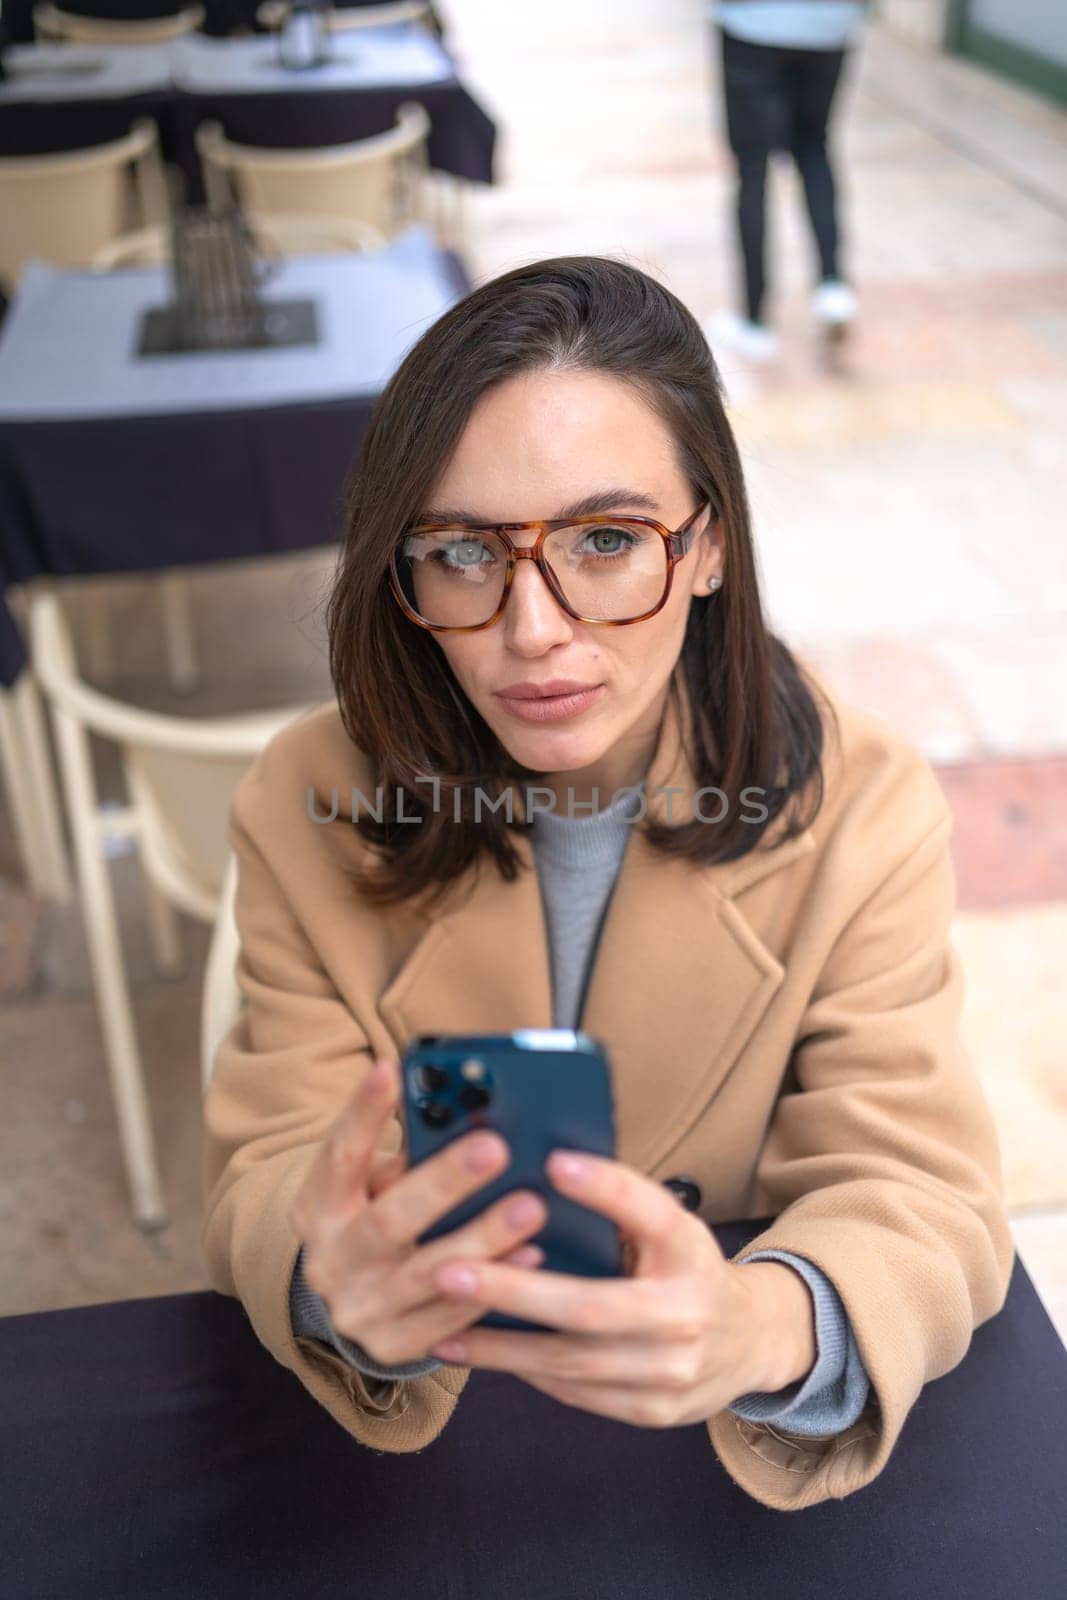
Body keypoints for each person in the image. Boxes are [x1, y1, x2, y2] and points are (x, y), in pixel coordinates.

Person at [203, 256, 1012, 1512]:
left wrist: (749, 1327)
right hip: (431, 1450)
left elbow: (920, 1193)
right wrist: (331, 1282)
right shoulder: (306, 799)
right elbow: (270, 1161)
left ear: (707, 548)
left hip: (715, 1463)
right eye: (465, 551)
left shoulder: (862, 803)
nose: (533, 629)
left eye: (603, 540)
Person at [707, 0, 866, 361]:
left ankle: (754, 320)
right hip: (831, 26)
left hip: (751, 24)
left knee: (752, 167)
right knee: (814, 147)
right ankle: (832, 284)